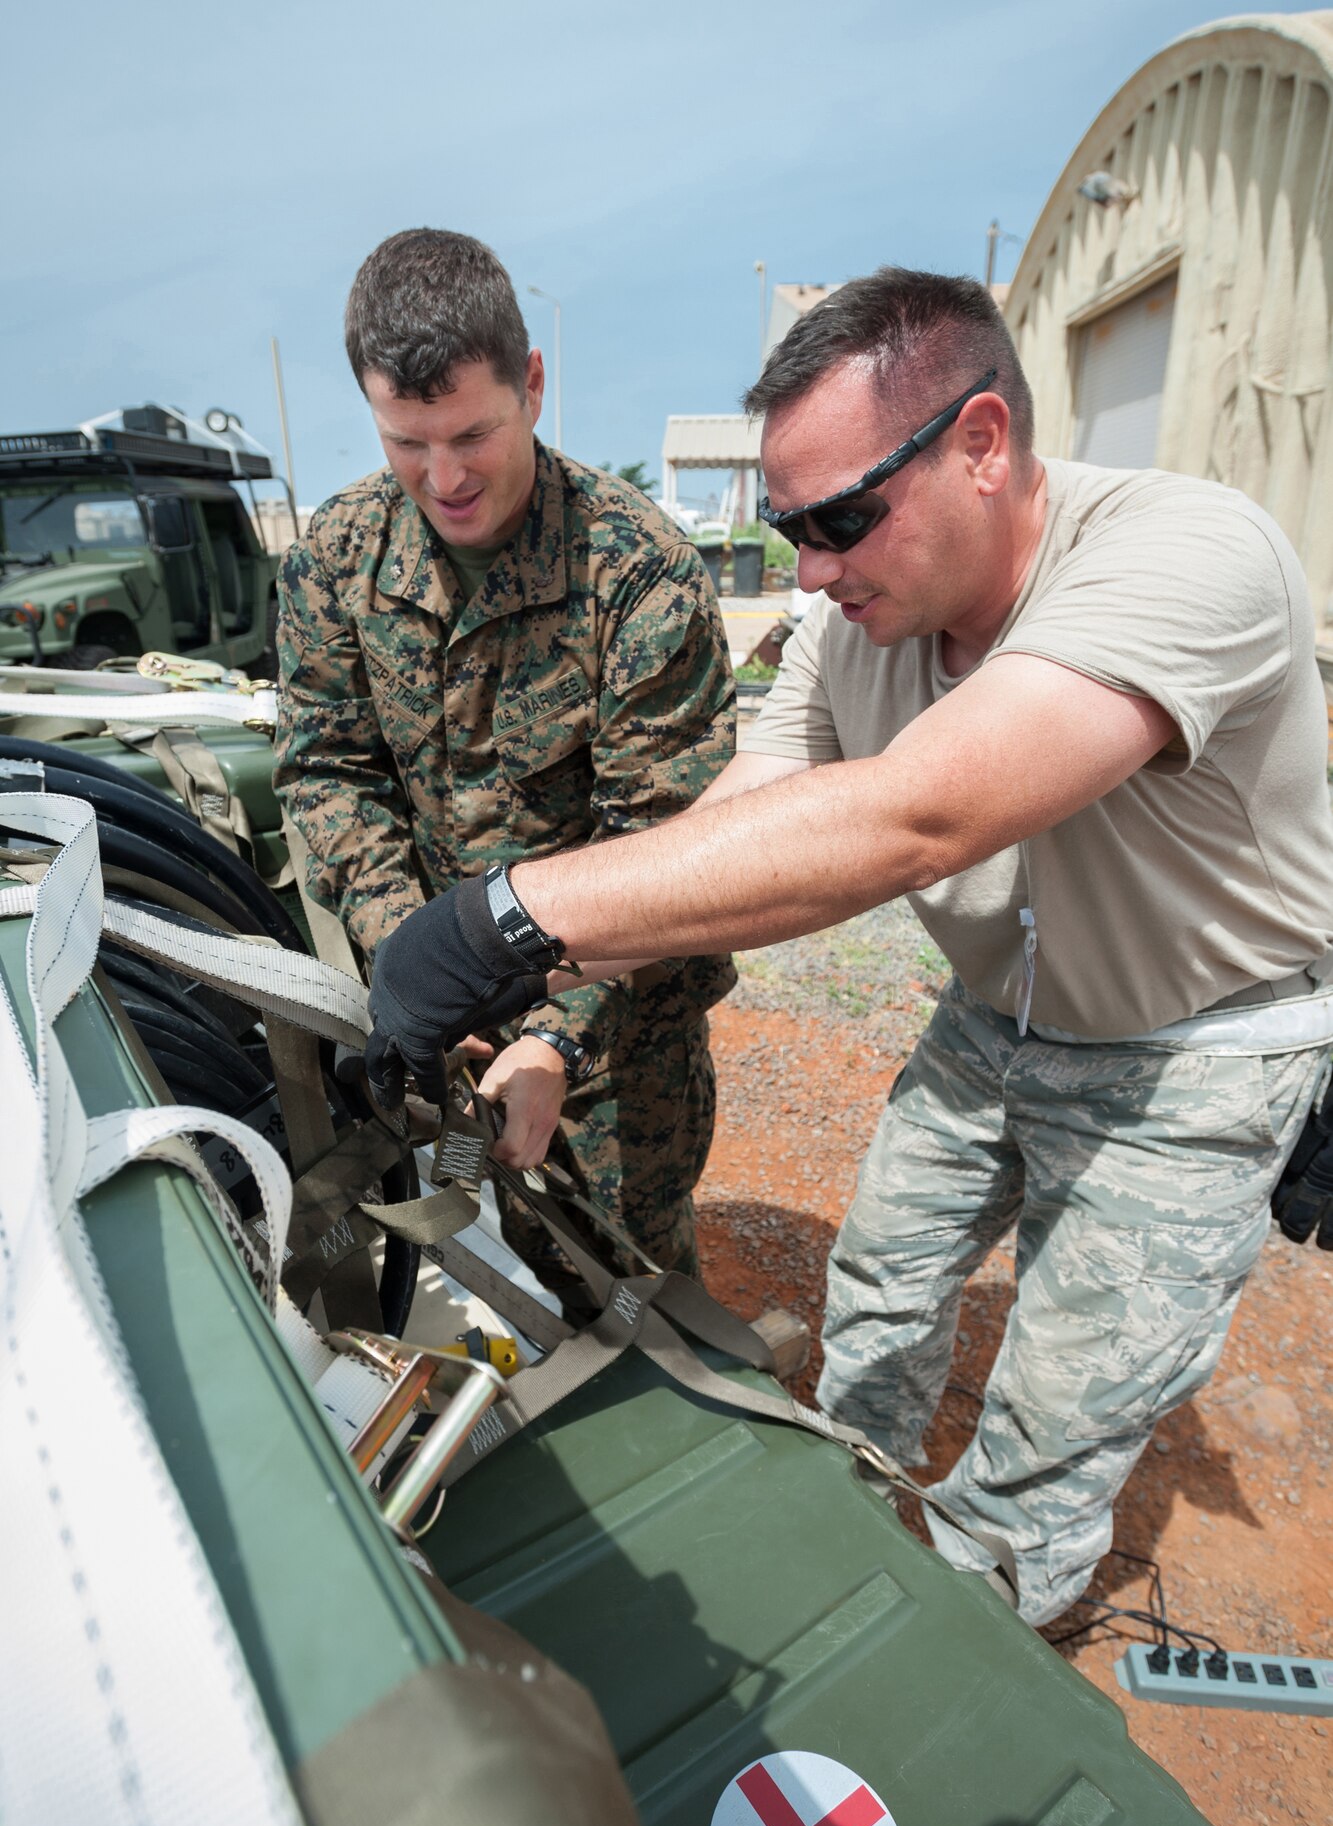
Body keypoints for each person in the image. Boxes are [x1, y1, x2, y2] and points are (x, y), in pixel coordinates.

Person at [362, 266, 1333, 1626]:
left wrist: (509, 911)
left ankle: (982, 1632)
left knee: (1060, 1403)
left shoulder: (1187, 555)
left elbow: (920, 815)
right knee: (878, 1282)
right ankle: (855, 1510)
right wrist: (539, 987)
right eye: (786, 527)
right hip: (999, 1017)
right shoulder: (850, 626)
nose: (808, 571)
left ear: (982, 444)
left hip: (1188, 1052)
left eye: (840, 520)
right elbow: (748, 817)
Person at [273, 228, 736, 1284]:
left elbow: (670, 852)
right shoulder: (336, 559)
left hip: (621, 1040)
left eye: (471, 434)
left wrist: (556, 1039)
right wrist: (418, 967)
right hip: (444, 1018)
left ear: (531, 384)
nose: (442, 477)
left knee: (624, 1287)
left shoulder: (637, 576)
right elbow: (331, 772)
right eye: (404, 441)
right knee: (467, 1269)